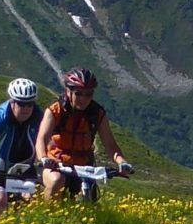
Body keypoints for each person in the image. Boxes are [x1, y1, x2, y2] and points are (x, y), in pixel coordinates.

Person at [35, 67, 130, 199]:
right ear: (69, 91)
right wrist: (43, 158)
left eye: (88, 94)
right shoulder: (55, 110)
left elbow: (110, 145)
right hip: (56, 164)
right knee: (57, 181)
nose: (83, 99)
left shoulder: (97, 114)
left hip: (83, 167)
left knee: (89, 201)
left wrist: (122, 162)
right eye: (79, 93)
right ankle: (47, 217)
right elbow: (42, 138)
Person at [0, 78, 46, 219]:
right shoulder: (0, 117)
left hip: (23, 170)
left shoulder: (38, 116)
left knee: (34, 199)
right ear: (12, 102)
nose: (25, 108)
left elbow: (48, 139)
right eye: (20, 103)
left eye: (29, 104)